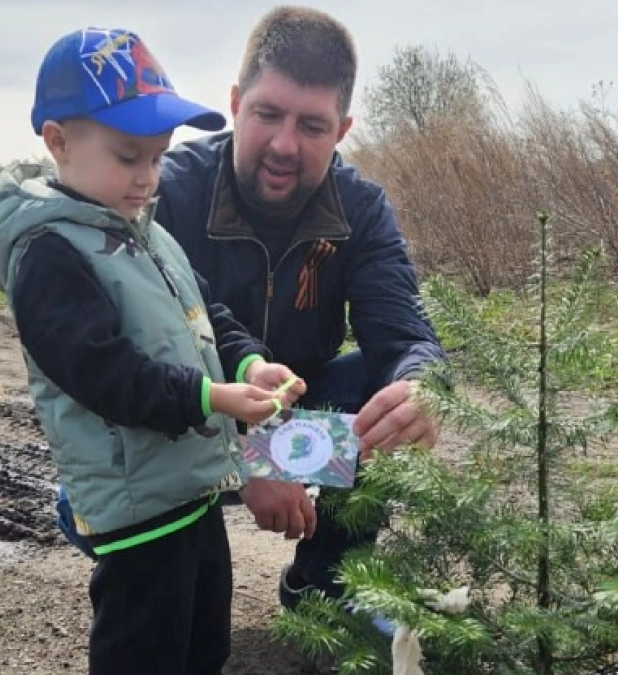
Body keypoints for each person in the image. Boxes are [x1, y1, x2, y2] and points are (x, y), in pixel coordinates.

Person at [56, 6, 448, 617]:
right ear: (237, 103)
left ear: (342, 130)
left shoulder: (362, 209)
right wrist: (247, 454)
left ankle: (323, 587)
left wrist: (423, 385)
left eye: (312, 126)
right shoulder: (162, 192)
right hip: (184, 418)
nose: (285, 145)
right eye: (268, 114)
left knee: (388, 390)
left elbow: (406, 336)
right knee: (76, 503)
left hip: (297, 419)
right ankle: (168, 586)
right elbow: (122, 366)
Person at [0, 27, 307, 674]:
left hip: (193, 490)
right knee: (144, 653)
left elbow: (208, 316)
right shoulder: (49, 253)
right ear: (58, 141)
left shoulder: (147, 234)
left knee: (205, 646)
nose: (147, 178)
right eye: (129, 157)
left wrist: (249, 363)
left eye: (158, 158)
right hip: (137, 510)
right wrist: (210, 396)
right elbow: (102, 373)